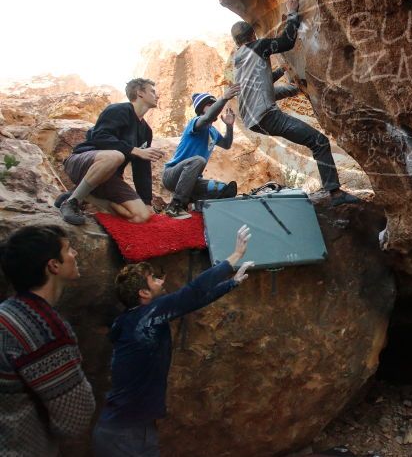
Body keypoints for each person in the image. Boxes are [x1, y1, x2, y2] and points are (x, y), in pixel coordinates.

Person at [92, 226, 254, 457]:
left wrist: (232, 283)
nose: (160, 281)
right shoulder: (146, 317)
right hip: (123, 434)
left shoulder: (137, 319)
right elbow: (191, 292)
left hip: (134, 426)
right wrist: (234, 257)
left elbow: (191, 302)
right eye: (153, 279)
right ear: (144, 294)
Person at [231, 0, 359, 206]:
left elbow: (263, 84)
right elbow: (287, 41)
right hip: (266, 116)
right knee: (318, 142)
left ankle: (329, 189)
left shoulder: (240, 59)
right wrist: (292, 13)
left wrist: (286, 75)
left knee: (313, 139)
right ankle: (335, 194)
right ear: (253, 35)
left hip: (254, 120)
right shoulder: (258, 47)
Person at [0, 225, 95, 456]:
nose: (75, 255)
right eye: (69, 250)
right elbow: (75, 417)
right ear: (53, 265)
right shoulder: (45, 331)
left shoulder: (6, 313)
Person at [56, 78, 165, 225]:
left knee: (141, 216)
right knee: (115, 156)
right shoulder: (118, 110)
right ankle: (72, 203)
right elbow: (99, 137)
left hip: (109, 177)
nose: (157, 96)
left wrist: (146, 201)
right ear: (140, 93)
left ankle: (85, 196)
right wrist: (134, 150)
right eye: (152, 91)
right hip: (84, 162)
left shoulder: (146, 131)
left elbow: (142, 169)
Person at [161, 84, 242, 219]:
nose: (213, 106)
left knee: (221, 188)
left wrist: (229, 126)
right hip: (172, 175)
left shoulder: (213, 132)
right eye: (209, 104)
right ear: (201, 109)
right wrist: (224, 98)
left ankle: (195, 206)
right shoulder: (196, 122)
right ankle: (176, 205)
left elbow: (227, 144)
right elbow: (207, 118)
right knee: (198, 160)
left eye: (214, 103)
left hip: (191, 180)